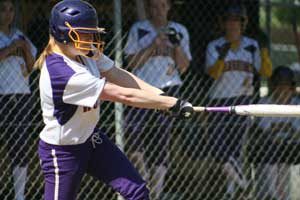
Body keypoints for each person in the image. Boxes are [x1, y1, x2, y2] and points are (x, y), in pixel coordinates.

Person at [34, 1, 193, 200]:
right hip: (63, 151)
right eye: (83, 33)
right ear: (62, 33)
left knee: (137, 192)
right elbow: (121, 94)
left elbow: (116, 73)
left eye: (92, 32)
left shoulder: (85, 51)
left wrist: (161, 97)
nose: (90, 38)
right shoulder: (62, 73)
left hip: (91, 139)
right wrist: (165, 104)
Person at [124, 0, 192, 198]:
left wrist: (175, 46)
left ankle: (157, 191)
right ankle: (142, 175)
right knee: (132, 132)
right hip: (142, 87)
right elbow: (131, 62)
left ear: (169, 7)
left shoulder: (179, 30)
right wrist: (154, 45)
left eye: (162, 5)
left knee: (162, 139)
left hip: (169, 87)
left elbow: (184, 66)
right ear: (148, 8)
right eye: (153, 6)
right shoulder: (140, 29)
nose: (158, 10)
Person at [204, 3, 272, 197]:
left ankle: (232, 192)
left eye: (237, 21)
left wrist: (265, 52)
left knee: (235, 150)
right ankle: (243, 184)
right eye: (229, 21)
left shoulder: (252, 45)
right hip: (218, 100)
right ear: (222, 23)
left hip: (243, 100)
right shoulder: (215, 45)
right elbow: (213, 75)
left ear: (244, 24)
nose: (233, 25)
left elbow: (265, 72)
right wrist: (223, 55)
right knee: (218, 149)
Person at [0, 0, 37, 200]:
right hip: (2, 95)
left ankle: (19, 195)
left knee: (20, 146)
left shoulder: (20, 36)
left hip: (22, 96)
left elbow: (32, 65)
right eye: (3, 10)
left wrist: (22, 47)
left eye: (11, 10)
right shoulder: (13, 39)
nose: (7, 14)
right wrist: (12, 48)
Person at [247, 66, 300, 200]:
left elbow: (297, 134)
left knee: (287, 153)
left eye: (286, 86)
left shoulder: (296, 105)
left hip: (291, 149)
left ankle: (280, 195)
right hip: (270, 147)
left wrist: (280, 133)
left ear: (291, 88)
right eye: (278, 85)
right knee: (270, 150)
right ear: (273, 86)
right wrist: (284, 132)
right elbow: (264, 132)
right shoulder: (265, 103)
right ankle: (272, 194)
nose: (282, 90)